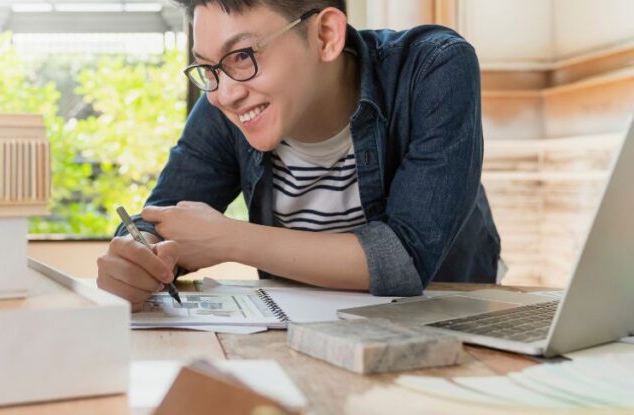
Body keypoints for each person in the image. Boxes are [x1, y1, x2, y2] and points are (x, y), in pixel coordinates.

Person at [96, 0, 501, 309]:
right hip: (303, 333)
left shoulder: (433, 68)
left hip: (445, 321)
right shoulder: (226, 106)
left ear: (326, 36)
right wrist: (138, 256)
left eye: (243, 56)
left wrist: (228, 239)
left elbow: (405, 259)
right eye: (208, 68)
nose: (224, 93)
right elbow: (159, 219)